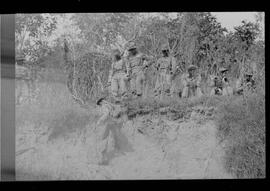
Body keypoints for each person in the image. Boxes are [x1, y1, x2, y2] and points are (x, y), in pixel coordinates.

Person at [94, 97, 134, 165]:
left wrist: (99, 121)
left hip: (108, 124)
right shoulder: (110, 105)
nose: (100, 105)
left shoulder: (104, 106)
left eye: (99, 103)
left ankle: (104, 159)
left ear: (100, 102)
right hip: (114, 123)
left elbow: (106, 114)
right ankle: (120, 151)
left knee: (103, 140)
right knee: (114, 137)